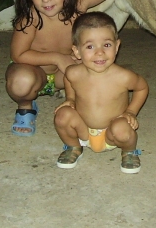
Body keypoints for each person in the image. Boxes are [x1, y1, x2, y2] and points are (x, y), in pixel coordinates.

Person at [6, 0, 148, 137]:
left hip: (65, 76)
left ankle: (89, 111)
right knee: (21, 82)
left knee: (99, 69)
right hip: (36, 72)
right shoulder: (30, 18)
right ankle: (26, 107)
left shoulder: (79, 4)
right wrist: (57, 58)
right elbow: (18, 55)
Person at [54, 12, 149, 173]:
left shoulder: (123, 76)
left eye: (106, 45)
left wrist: (131, 112)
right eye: (90, 46)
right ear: (77, 51)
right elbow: (68, 79)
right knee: (62, 115)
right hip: (82, 130)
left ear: (117, 46)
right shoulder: (73, 72)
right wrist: (70, 98)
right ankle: (73, 147)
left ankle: (129, 151)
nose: (99, 53)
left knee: (123, 129)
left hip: (112, 132)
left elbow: (142, 87)